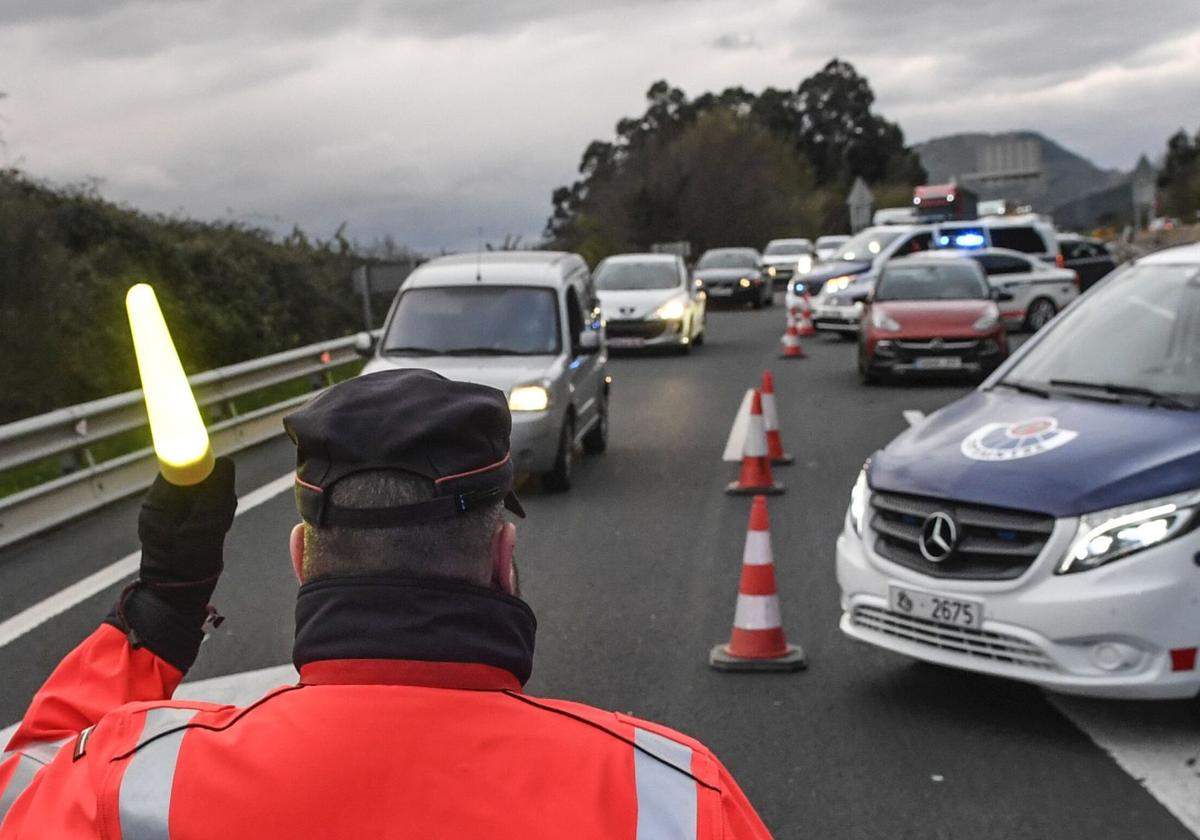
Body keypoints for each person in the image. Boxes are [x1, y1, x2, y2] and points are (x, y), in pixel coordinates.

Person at [0, 368, 772, 839]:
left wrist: (159, 617)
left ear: (304, 563)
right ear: (504, 562)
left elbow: (26, 789)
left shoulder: (126, 785)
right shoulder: (672, 797)